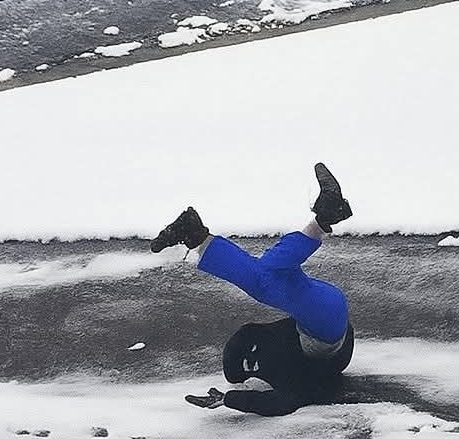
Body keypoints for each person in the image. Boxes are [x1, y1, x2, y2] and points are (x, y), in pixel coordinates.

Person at [150, 163, 354, 416]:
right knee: (266, 279)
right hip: (327, 334)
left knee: (268, 277)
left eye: (248, 363)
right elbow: (282, 402)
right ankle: (325, 218)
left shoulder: (277, 359)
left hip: (323, 315)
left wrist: (229, 398)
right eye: (250, 364)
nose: (253, 364)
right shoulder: (297, 376)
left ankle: (197, 236)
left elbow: (248, 335)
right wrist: (230, 398)